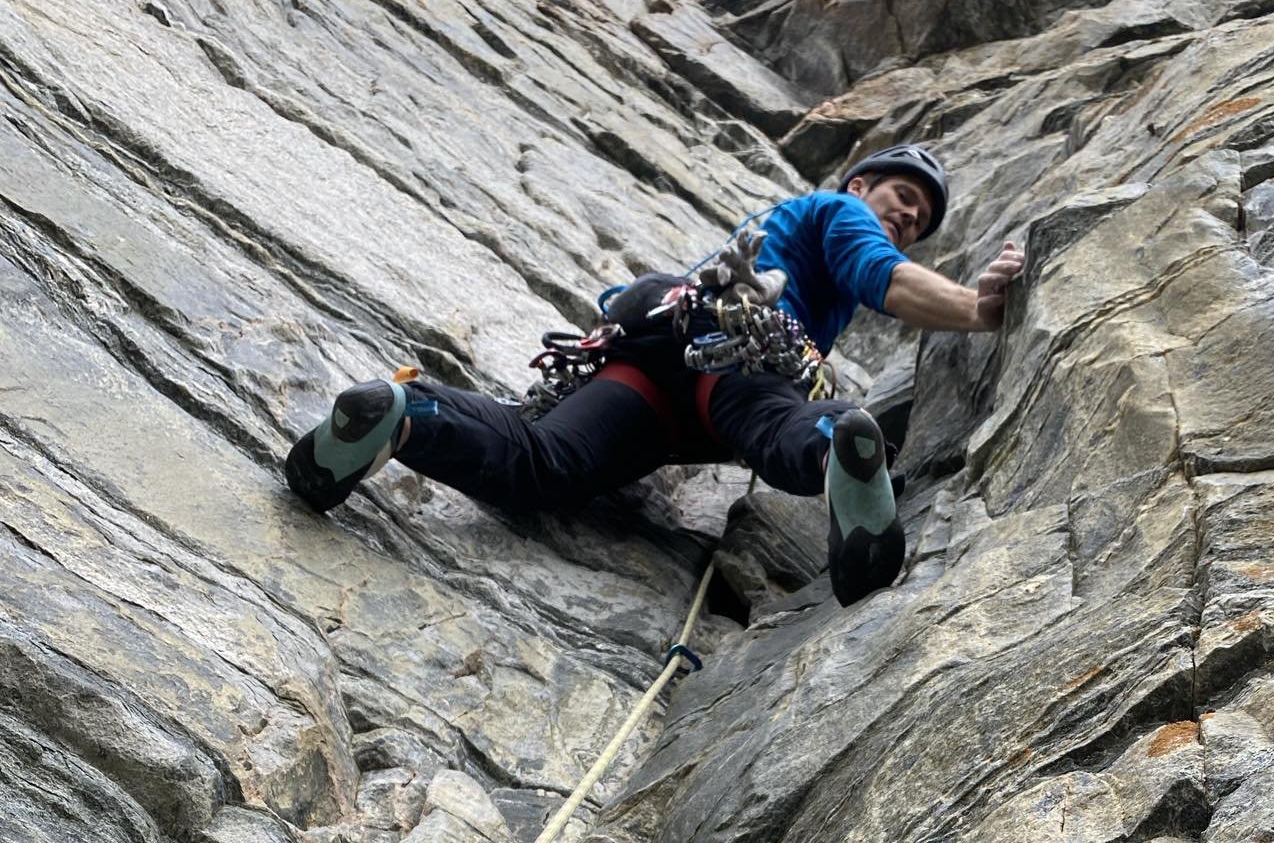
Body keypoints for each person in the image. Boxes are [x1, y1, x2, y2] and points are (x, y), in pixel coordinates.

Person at [285, 145, 1024, 605]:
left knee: (541, 464)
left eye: (920, 220)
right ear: (862, 183)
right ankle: (841, 446)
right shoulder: (839, 211)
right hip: (736, 343)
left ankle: (404, 413)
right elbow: (882, 277)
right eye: (902, 200)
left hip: (655, 361)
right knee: (775, 425)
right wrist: (978, 308)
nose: (907, 219)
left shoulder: (806, 232)